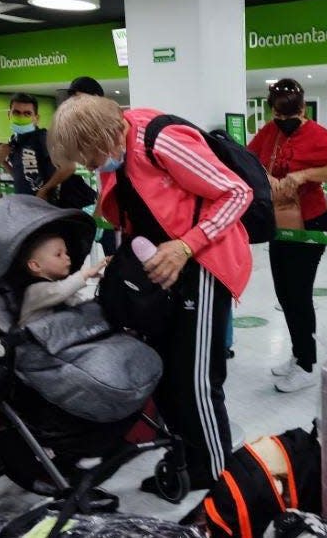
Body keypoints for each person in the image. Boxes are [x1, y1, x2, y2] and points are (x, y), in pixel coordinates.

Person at [48, 95, 253, 490]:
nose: (89, 167)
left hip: (202, 265)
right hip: (161, 274)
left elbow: (236, 193)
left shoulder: (161, 140)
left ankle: (215, 480)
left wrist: (187, 245)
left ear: (103, 136)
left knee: (195, 380)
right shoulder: (117, 158)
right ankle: (184, 465)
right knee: (165, 375)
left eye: (88, 157)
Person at [247, 78, 327, 392]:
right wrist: (266, 177)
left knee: (299, 293)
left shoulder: (317, 135)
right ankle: (297, 351)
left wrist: (303, 175)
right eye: (279, 116)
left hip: (311, 221)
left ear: (303, 108)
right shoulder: (269, 133)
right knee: (283, 292)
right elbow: (248, 159)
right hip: (280, 221)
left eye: (291, 116)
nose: (285, 121)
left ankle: (307, 364)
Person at [0, 92, 96, 209]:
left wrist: (44, 191)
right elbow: (21, 177)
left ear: (36, 118)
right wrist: (3, 162)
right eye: (16, 112)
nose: (21, 117)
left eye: (27, 113)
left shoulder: (43, 138)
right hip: (25, 205)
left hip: (47, 206)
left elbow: (69, 167)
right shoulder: (14, 141)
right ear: (9, 114)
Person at [65, 75, 117, 256]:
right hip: (108, 207)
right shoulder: (91, 133)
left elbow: (113, 180)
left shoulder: (113, 130)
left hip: (118, 209)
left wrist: (97, 213)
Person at [17, 231, 109, 327]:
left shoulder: (58, 286)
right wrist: (85, 274)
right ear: (35, 265)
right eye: (58, 255)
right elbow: (60, 291)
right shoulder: (34, 291)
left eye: (66, 253)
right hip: (32, 339)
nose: (67, 257)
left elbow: (76, 302)